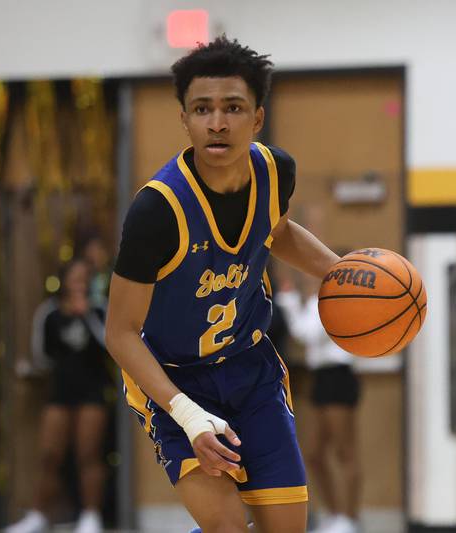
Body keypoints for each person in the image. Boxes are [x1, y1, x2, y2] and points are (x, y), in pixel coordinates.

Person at [105, 36, 342, 533]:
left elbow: (275, 230)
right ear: (185, 119)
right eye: (202, 109)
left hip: (249, 369)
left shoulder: (277, 172)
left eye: (233, 108)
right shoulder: (157, 211)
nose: (217, 122)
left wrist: (341, 273)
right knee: (229, 527)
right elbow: (120, 333)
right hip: (173, 381)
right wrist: (188, 416)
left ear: (256, 117)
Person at [7, 259, 110, 533]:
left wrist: (86, 315)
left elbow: (112, 344)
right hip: (61, 391)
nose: (80, 283)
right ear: (63, 280)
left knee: (88, 453)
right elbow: (41, 355)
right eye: (75, 277)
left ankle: (91, 516)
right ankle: (38, 515)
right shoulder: (49, 313)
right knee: (49, 455)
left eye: (85, 278)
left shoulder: (99, 310)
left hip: (92, 389)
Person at [276, 275, 363, 533]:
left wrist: (290, 302)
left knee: (345, 451)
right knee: (313, 453)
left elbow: (308, 333)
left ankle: (350, 518)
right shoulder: (319, 300)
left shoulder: (338, 301)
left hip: (339, 375)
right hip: (321, 378)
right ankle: (335, 514)